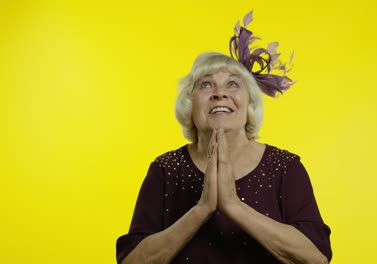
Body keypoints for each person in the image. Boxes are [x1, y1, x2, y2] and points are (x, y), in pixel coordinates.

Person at [116, 11, 332, 264]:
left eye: (233, 84)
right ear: (190, 105)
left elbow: (315, 259)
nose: (219, 93)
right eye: (206, 85)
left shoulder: (285, 167)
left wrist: (233, 205)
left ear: (249, 104)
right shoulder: (165, 169)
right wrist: (202, 208)